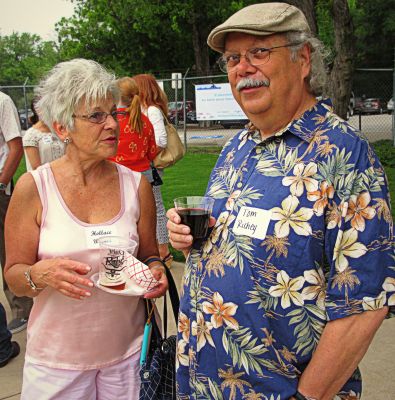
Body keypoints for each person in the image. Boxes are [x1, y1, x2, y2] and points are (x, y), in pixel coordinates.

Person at [166, 3, 395, 399]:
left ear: (303, 59)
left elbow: (365, 303)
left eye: (259, 52)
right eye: (233, 58)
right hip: (203, 385)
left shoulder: (344, 155)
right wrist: (187, 237)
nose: (243, 68)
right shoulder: (237, 145)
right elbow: (229, 237)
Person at [4, 59, 168, 399]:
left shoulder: (135, 184)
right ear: (63, 128)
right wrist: (40, 273)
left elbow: (150, 253)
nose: (112, 124)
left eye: (114, 113)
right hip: (55, 364)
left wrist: (155, 271)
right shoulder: (34, 187)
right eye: (96, 116)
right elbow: (14, 275)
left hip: (127, 359)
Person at [132, 74, 173, 266]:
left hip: (148, 168)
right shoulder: (140, 111)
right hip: (143, 166)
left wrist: (145, 155)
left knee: (156, 207)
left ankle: (163, 250)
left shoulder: (152, 111)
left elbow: (162, 140)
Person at [0, 91, 28, 335]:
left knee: (7, 250)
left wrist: (1, 183)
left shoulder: (2, 101)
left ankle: (21, 309)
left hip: (0, 189)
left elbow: (15, 147)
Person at [109, 77, 158, 190]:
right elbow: (152, 153)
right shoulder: (145, 121)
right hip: (143, 176)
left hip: (117, 174)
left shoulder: (111, 122)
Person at [22, 97, 65, 171]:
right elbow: (36, 168)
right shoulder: (31, 135)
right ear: (37, 110)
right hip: (44, 180)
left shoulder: (60, 130)